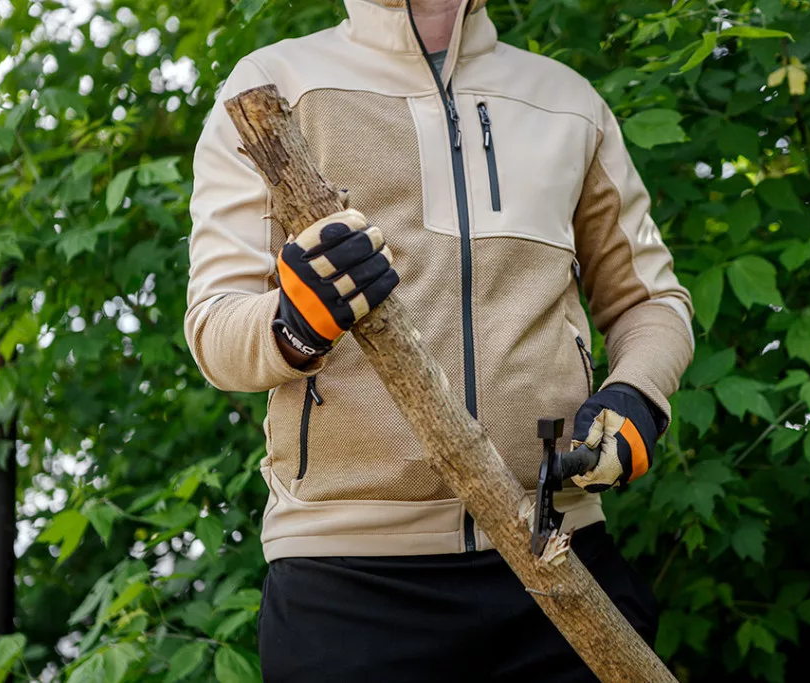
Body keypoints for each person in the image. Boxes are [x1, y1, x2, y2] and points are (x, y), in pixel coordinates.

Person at [185, 0, 694, 680]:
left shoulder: (568, 103)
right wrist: (293, 323)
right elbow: (215, 327)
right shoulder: (277, 85)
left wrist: (637, 392)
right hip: (347, 585)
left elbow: (649, 301)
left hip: (560, 556)